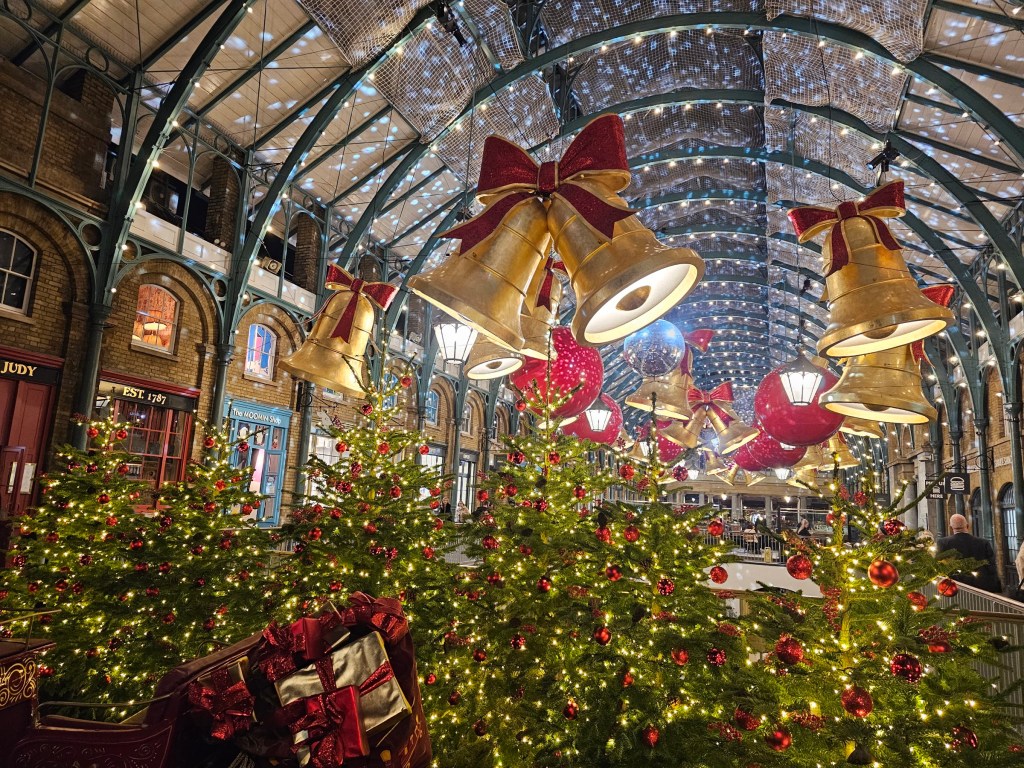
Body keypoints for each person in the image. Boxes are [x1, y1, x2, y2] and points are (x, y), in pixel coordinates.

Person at [935, 513, 1002, 593]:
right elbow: (991, 566)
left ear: (951, 527)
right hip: (981, 587)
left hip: (954, 587)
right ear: (967, 526)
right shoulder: (983, 543)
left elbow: (939, 566)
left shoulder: (943, 543)